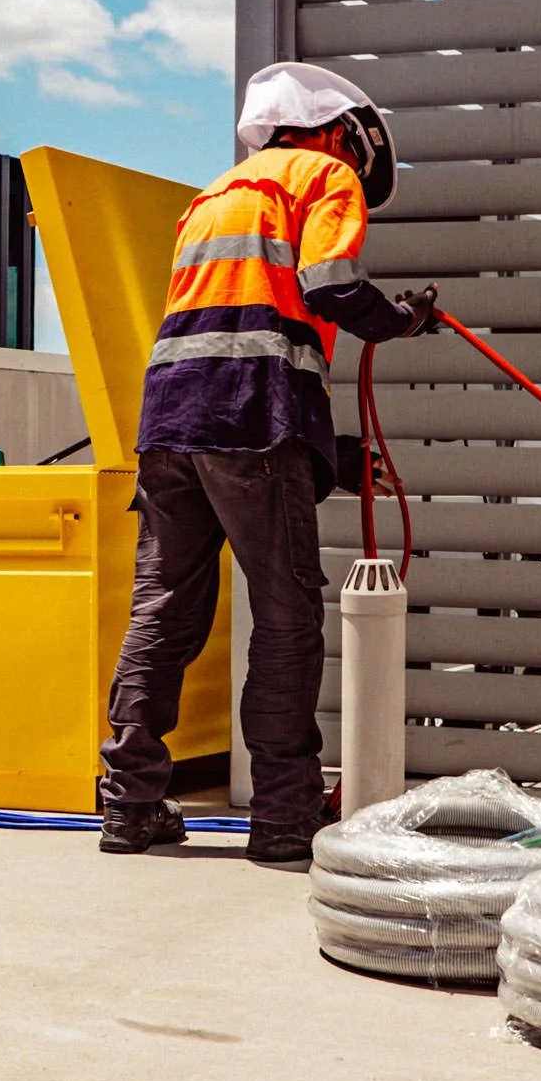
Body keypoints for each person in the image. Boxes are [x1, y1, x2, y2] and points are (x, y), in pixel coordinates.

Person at [97, 62, 436, 864]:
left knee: (164, 609)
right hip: (253, 419)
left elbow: (234, 326)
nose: (356, 163)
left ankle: (129, 804)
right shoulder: (322, 174)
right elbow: (324, 285)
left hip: (171, 423)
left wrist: (334, 456)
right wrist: (399, 320)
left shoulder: (214, 194)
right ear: (336, 130)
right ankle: (285, 812)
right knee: (286, 618)